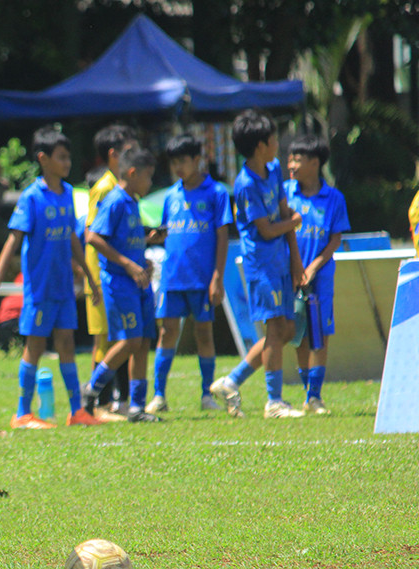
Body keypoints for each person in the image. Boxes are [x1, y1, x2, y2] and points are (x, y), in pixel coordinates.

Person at [0, 126, 101, 429]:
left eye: (68, 157)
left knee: (67, 345)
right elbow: (14, 239)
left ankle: (77, 411)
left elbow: (73, 238)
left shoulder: (69, 193)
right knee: (34, 347)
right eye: (61, 157)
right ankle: (22, 413)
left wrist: (87, 273)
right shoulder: (32, 196)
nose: (67, 162)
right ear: (43, 159)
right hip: (40, 288)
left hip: (63, 286)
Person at [210, 109, 305, 419]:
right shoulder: (245, 183)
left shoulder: (273, 169)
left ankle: (231, 381)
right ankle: (273, 402)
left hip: (280, 260)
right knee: (276, 329)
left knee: (286, 329)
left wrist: (296, 258)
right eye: (274, 138)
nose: (278, 143)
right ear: (260, 145)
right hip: (261, 265)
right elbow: (266, 229)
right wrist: (291, 224)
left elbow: (283, 212)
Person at [147, 135, 232, 414]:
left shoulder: (216, 193)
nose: (178, 167)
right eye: (173, 162)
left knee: (204, 333)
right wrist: (156, 236)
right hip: (173, 277)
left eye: (183, 161)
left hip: (201, 277)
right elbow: (168, 232)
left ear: (198, 159)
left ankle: (207, 395)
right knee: (167, 332)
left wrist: (217, 276)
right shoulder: (171, 195)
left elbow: (222, 237)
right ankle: (159, 396)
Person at [83, 147, 165, 423]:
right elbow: (93, 237)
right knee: (129, 341)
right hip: (119, 283)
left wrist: (143, 259)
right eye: (148, 177)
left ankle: (137, 407)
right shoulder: (115, 200)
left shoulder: (132, 202)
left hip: (138, 282)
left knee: (142, 342)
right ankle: (92, 389)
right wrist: (128, 265)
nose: (150, 183)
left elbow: (127, 243)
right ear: (132, 173)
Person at [285, 134, 351, 415]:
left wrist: (313, 268)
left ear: (315, 163)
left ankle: (315, 395)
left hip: (320, 276)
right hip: (289, 275)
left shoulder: (334, 198)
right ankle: (306, 390)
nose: (291, 164)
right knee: (297, 333)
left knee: (320, 332)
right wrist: (296, 269)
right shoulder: (285, 192)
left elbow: (335, 240)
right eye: (290, 158)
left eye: (298, 159)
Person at [82, 125, 137, 422]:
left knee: (119, 337)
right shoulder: (104, 187)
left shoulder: (119, 185)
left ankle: (118, 401)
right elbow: (92, 233)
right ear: (115, 154)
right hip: (102, 276)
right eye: (130, 151)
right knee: (104, 340)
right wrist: (95, 278)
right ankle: (96, 405)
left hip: (114, 275)